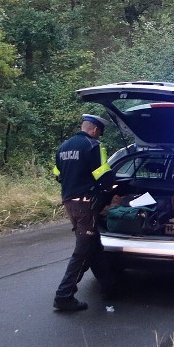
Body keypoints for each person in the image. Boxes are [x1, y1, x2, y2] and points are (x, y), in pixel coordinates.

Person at [52, 114, 118, 312]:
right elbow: (105, 178)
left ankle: (109, 287)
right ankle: (64, 295)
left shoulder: (63, 147)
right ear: (95, 130)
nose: (99, 137)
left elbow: (58, 175)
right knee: (82, 251)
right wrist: (114, 190)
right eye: (100, 133)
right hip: (85, 205)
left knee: (93, 246)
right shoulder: (93, 147)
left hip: (69, 203)